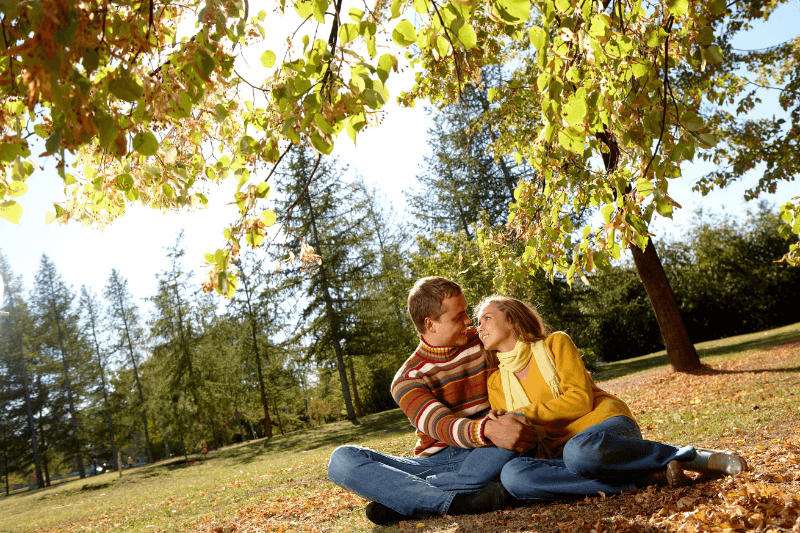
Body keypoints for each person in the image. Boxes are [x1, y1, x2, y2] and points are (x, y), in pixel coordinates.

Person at [469, 294, 748, 501]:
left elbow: (579, 400)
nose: (479, 327)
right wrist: (502, 425)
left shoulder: (555, 343)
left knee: (579, 451)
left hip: (602, 429)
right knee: (514, 476)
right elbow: (519, 435)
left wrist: (524, 413)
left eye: (487, 319)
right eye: (477, 323)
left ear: (512, 319)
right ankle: (648, 476)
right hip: (560, 452)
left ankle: (690, 457)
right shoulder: (495, 382)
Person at [327, 277, 541, 525]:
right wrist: (487, 428)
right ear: (430, 324)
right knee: (342, 460)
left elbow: (527, 353)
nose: (469, 321)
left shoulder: (484, 340)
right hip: (435, 463)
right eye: (457, 317)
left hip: (489, 451)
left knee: (519, 423)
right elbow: (442, 425)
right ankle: (457, 502)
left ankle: (409, 499)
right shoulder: (406, 379)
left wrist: (496, 428)